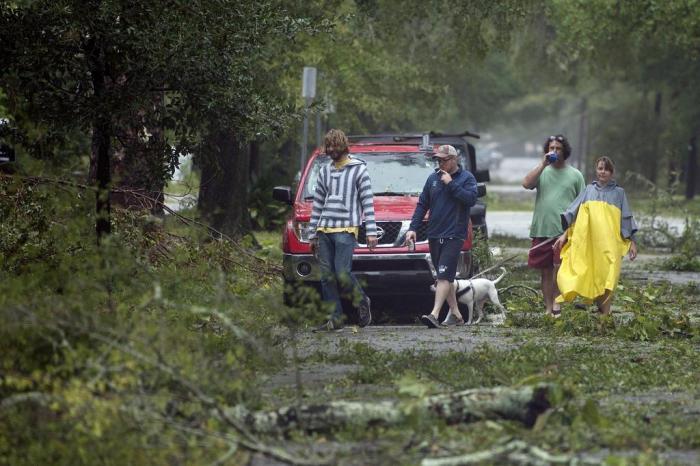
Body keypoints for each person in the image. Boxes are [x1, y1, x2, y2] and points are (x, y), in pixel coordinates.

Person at [308, 129, 378, 331]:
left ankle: (362, 300)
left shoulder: (359, 170)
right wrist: (313, 234)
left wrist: (371, 232)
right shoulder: (324, 172)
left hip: (346, 229)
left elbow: (367, 202)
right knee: (326, 277)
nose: (330, 150)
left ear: (343, 146)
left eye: (334, 146)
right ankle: (335, 319)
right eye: (328, 146)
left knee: (342, 274)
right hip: (324, 229)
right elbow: (318, 204)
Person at [553, 156, 638, 314]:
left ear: (611, 172)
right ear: (596, 170)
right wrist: (565, 234)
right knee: (581, 270)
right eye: (600, 168)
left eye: (606, 169)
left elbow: (626, 217)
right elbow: (575, 212)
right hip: (590, 243)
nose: (602, 172)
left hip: (610, 244)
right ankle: (561, 301)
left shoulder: (619, 193)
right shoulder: (588, 190)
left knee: (608, 275)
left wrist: (632, 241)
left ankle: (605, 315)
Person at [405, 144, 478, 328]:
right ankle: (456, 314)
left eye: (444, 160)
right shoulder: (432, 179)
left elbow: (470, 200)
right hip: (434, 233)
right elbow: (422, 205)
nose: (440, 163)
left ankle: (434, 314)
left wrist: (451, 184)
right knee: (445, 276)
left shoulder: (467, 178)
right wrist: (413, 228)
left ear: (454, 160)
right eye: (438, 160)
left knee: (443, 277)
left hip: (454, 234)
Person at [522, 134, 585, 317]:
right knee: (546, 272)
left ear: (564, 151)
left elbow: (582, 205)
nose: (554, 151)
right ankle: (548, 308)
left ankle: (557, 304)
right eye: (551, 148)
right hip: (543, 228)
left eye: (558, 148)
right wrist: (543, 164)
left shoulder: (575, 175)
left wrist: (572, 230)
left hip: (563, 232)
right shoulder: (542, 171)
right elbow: (526, 184)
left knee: (560, 270)